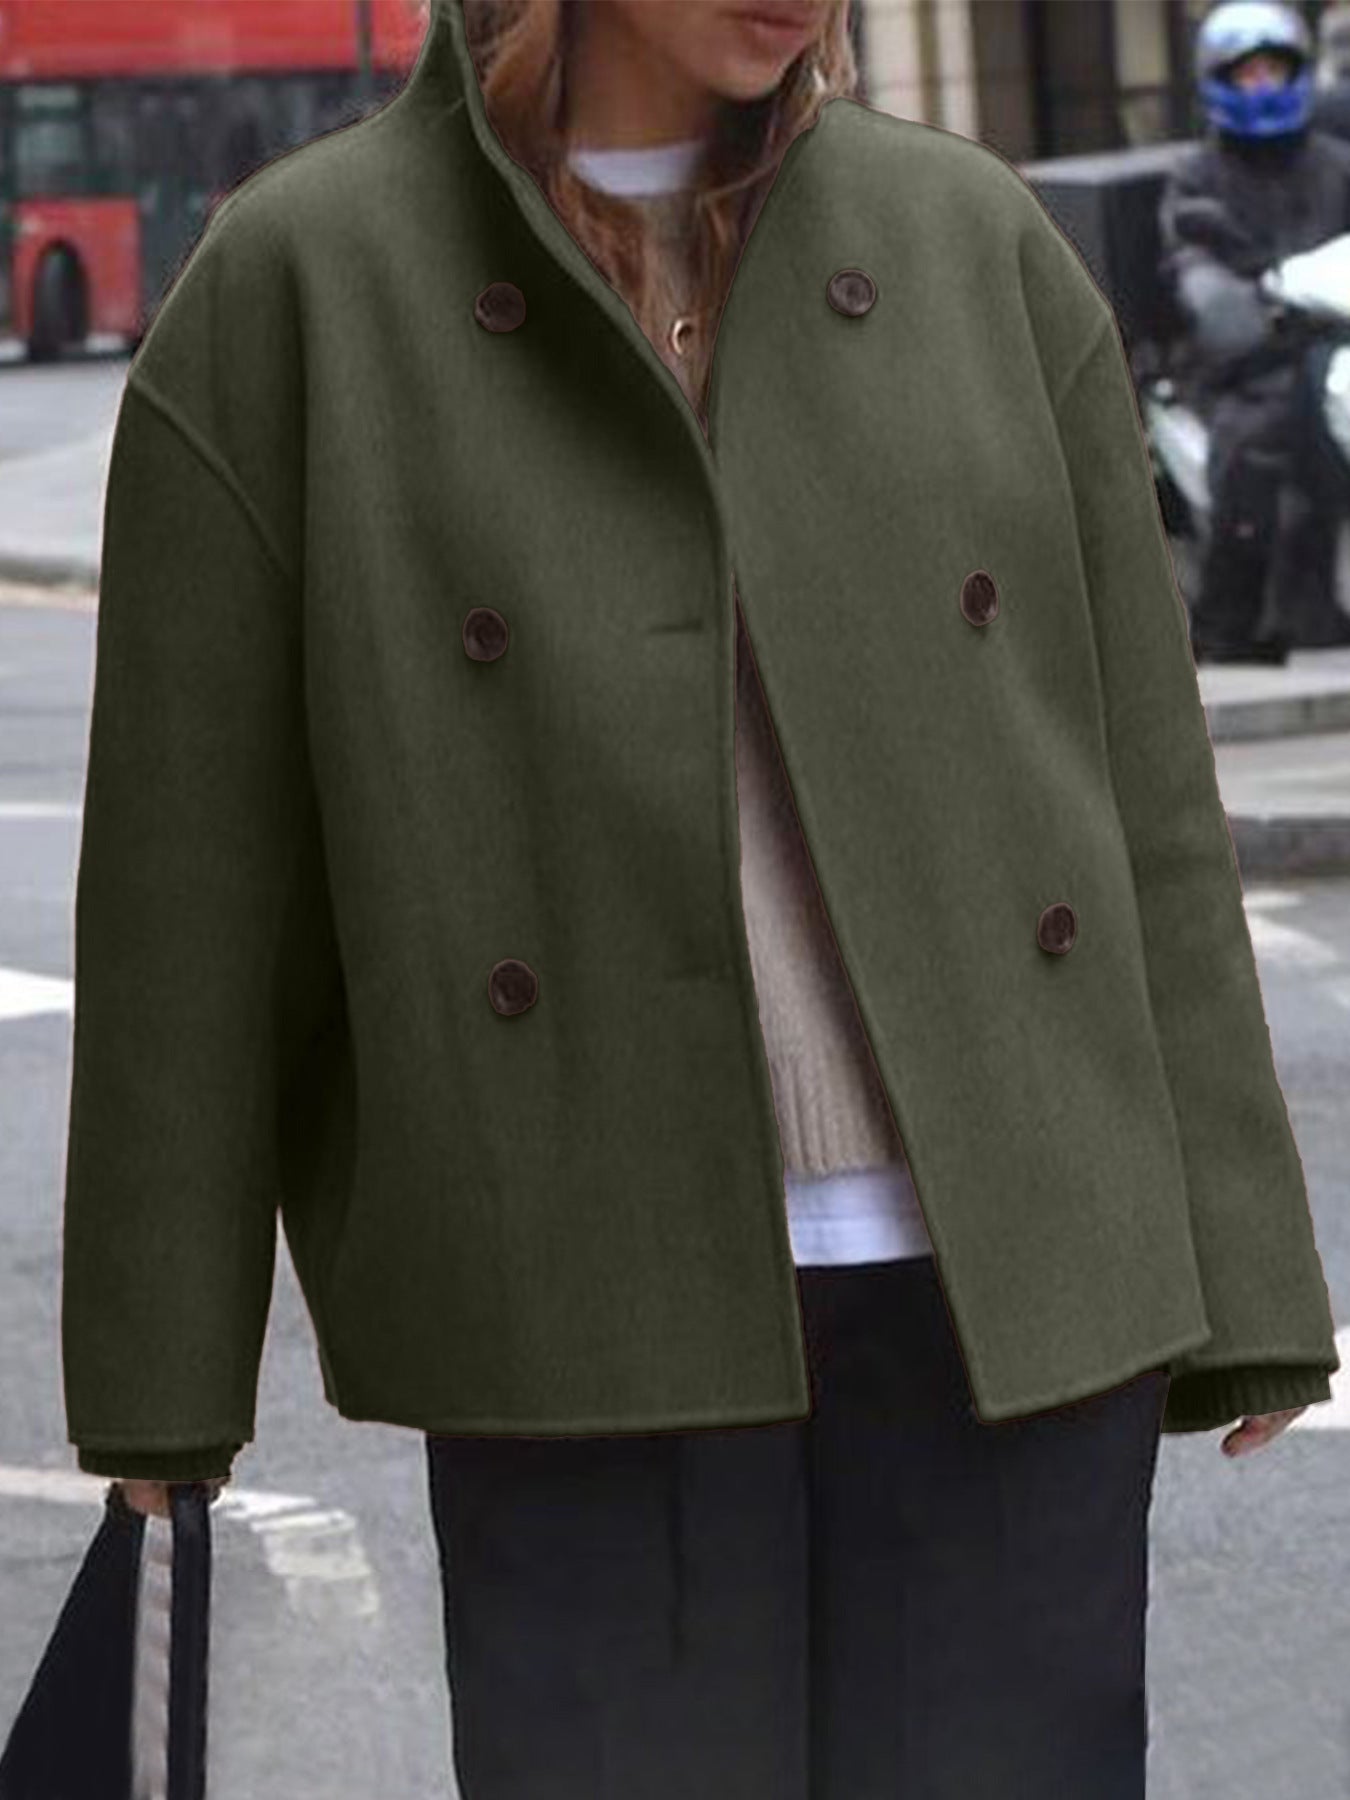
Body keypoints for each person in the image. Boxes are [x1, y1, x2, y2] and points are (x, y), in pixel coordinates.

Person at [63, 1, 1338, 1794]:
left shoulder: (973, 245)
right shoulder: (306, 285)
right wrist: (160, 1383)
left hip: (1015, 1294)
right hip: (584, 1315)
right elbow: (189, 892)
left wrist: (1251, 1270)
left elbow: (1138, 790)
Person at [1158, 0, 1350, 661]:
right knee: (1257, 437)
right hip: (1246, 357)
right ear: (1219, 80)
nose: (1263, 85)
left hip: (1334, 343)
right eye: (1248, 73)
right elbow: (1192, 263)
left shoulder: (1335, 165)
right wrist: (1235, 306)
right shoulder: (1198, 176)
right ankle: (1229, 622)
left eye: (1274, 69)